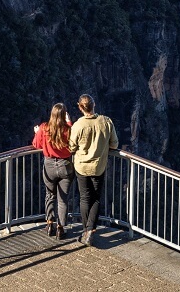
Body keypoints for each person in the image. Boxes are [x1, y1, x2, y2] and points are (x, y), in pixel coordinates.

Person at [69, 94, 118, 247]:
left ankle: (86, 231)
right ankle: (91, 229)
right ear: (94, 105)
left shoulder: (78, 125)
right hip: (98, 166)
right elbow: (114, 145)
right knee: (96, 198)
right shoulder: (106, 121)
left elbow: (71, 147)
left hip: (82, 167)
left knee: (84, 198)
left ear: (80, 107)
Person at [32, 103, 74, 240]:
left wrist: (37, 132)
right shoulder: (69, 129)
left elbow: (36, 144)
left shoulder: (44, 128)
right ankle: (60, 229)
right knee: (63, 200)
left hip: (49, 165)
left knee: (50, 195)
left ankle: (50, 224)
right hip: (65, 165)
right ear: (64, 115)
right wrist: (69, 122)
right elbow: (73, 145)